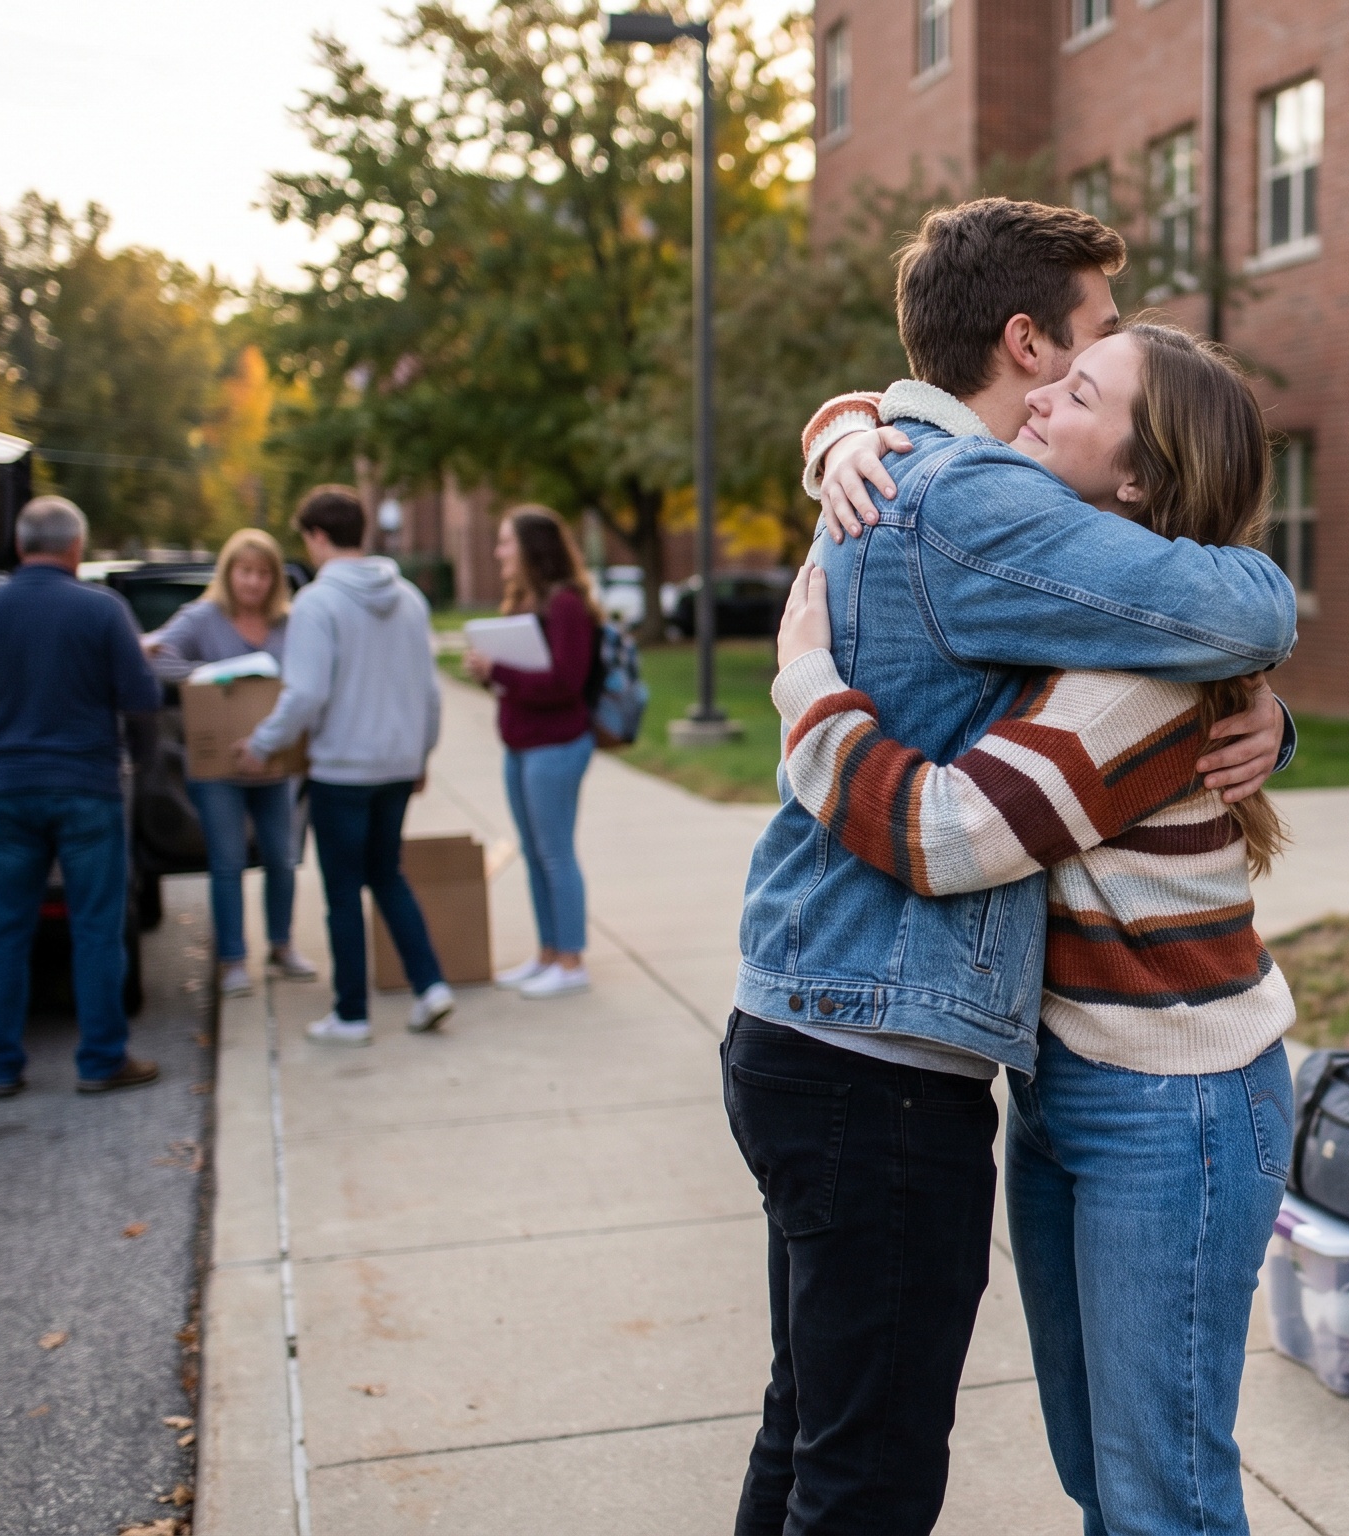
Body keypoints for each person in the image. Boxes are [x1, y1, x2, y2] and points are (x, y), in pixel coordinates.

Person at [723, 198, 1295, 1536]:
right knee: (901, 1463)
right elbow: (1227, 603)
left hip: (1162, 1088)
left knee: (1131, 1485)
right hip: (952, 1064)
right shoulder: (983, 509)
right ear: (1027, 344)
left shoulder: (1090, 615)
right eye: (1088, 350)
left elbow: (955, 829)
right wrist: (809, 659)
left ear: (1143, 482)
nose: (1059, 400)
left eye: (1099, 390)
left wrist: (1259, 686)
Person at [0, 495, 163, 1097]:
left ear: (19, 546)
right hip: (87, 787)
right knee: (96, 927)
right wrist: (141, 764)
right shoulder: (103, 611)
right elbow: (142, 699)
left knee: (5, 930)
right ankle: (100, 1061)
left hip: (7, 790)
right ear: (76, 549)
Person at [237, 486, 451, 1046]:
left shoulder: (316, 603)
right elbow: (430, 695)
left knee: (341, 893)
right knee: (387, 876)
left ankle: (351, 1015)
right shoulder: (408, 598)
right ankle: (430, 985)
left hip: (340, 770)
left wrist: (260, 744)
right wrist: (422, 754)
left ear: (317, 536)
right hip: (398, 765)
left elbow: (305, 693)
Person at [144, 527, 316, 998]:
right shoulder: (202, 618)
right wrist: (208, 677)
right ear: (229, 573)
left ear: (275, 579)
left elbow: (311, 675)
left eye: (263, 573)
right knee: (228, 861)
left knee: (281, 858)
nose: (254, 582)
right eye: (245, 571)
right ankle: (234, 959)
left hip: (275, 761)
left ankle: (281, 946)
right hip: (220, 766)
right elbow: (157, 657)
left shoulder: (290, 623)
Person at [464, 505, 598, 1000]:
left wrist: (498, 671)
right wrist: (488, 671)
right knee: (537, 855)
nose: (498, 552)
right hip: (522, 746)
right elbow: (524, 679)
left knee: (555, 854)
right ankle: (547, 954)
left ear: (531, 549)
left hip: (557, 746)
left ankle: (571, 961)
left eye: (505, 542)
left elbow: (566, 682)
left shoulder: (566, 605)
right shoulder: (525, 601)